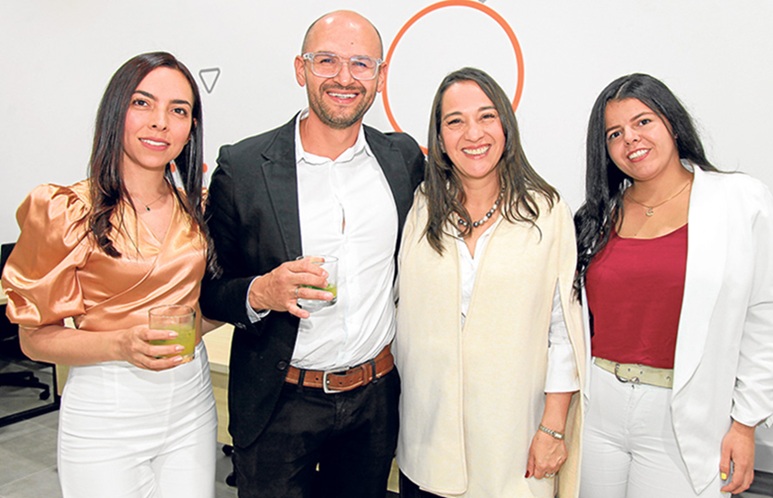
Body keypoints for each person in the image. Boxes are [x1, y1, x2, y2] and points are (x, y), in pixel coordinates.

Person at [199, 10, 424, 498]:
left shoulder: (403, 160)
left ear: (380, 77)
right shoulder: (243, 168)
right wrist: (261, 291)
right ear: (301, 69)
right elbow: (210, 293)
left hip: (374, 402)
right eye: (327, 61)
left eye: (361, 64)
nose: (344, 78)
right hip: (279, 403)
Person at [1, 52, 218, 497]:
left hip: (191, 404)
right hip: (106, 413)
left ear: (190, 128)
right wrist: (120, 343)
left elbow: (210, 308)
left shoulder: (199, 208)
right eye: (143, 103)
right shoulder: (66, 210)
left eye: (178, 110)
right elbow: (33, 338)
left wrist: (245, 304)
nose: (160, 122)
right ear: (115, 111)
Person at [574, 73, 773, 498]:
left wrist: (745, 423)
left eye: (643, 122)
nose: (631, 139)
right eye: (615, 133)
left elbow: (764, 316)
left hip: (684, 418)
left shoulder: (739, 201)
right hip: (597, 412)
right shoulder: (596, 217)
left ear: (672, 123)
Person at [394, 67, 585, 498]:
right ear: (439, 139)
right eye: (455, 121)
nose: (472, 133)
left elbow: (563, 333)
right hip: (427, 446)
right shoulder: (422, 209)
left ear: (506, 126)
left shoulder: (547, 213)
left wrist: (553, 430)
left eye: (486, 116)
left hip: (515, 450)